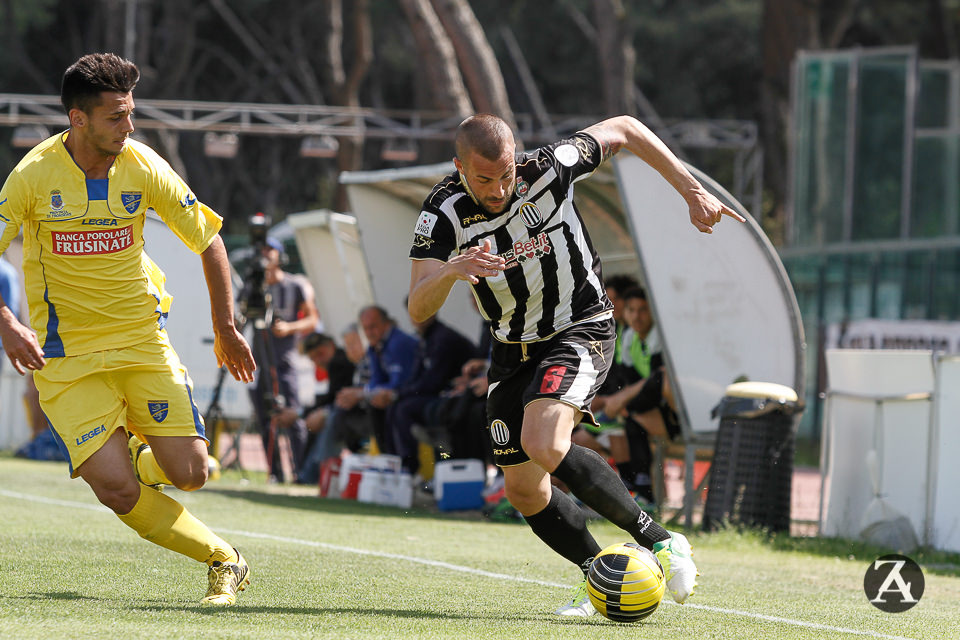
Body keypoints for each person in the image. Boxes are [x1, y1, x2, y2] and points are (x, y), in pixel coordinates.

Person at [407, 113, 744, 616]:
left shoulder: (548, 167)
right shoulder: (441, 214)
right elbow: (416, 307)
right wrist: (453, 270)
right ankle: (599, 576)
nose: (499, 189)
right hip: (511, 349)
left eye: (505, 174)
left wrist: (690, 191)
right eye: (483, 179)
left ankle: (662, 541)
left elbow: (627, 128)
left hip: (578, 325)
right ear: (459, 168)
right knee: (522, 490)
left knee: (543, 441)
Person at [0, 53, 256, 606]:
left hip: (141, 339)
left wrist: (226, 327)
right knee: (117, 491)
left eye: (130, 112)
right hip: (65, 357)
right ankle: (224, 560)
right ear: (78, 119)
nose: (129, 126)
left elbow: (209, 240)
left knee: (191, 473)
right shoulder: (32, 176)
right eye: (116, 116)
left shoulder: (144, 165)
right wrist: (6, 322)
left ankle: (148, 455)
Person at [246, 236, 319, 482]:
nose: (265, 254)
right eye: (261, 249)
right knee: (266, 420)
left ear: (280, 255)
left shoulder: (294, 285)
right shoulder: (252, 285)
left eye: (270, 249)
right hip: (259, 363)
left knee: (293, 417)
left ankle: (302, 473)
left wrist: (289, 328)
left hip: (285, 363)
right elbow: (238, 315)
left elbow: (312, 319)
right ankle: (274, 473)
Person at [386, 309, 476, 474]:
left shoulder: (443, 338)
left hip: (456, 396)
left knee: (404, 409)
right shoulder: (425, 339)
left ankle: (411, 468)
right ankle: (396, 463)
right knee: (394, 406)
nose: (417, 317)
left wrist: (397, 394)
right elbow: (417, 377)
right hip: (441, 394)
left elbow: (433, 382)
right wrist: (396, 394)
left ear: (433, 312)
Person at [334, 305, 418, 455]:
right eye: (365, 329)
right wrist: (370, 393)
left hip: (413, 393)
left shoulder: (398, 342)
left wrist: (365, 394)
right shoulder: (375, 346)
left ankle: (403, 464)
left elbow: (399, 382)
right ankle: (380, 459)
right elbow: (375, 381)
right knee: (350, 409)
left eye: (373, 327)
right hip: (397, 394)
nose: (369, 333)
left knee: (388, 406)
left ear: (387, 324)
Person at [293, 331, 356, 484]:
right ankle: (308, 473)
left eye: (320, 354)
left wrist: (305, 413)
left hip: (354, 412)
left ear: (331, 346)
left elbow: (334, 397)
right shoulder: (337, 360)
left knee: (325, 418)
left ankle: (314, 475)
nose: (318, 360)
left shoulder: (339, 361)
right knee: (319, 418)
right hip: (350, 409)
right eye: (313, 358)